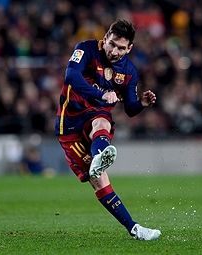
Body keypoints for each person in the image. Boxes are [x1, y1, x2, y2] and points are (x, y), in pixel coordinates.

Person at [55, 19, 161, 240]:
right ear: (105, 39)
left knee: (102, 122)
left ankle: (135, 230)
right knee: (99, 181)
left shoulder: (129, 72)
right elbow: (71, 76)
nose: (114, 51)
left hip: (97, 115)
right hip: (70, 124)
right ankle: (98, 158)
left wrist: (141, 103)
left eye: (121, 48)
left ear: (129, 48)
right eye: (112, 44)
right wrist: (101, 94)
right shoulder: (85, 49)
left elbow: (130, 109)